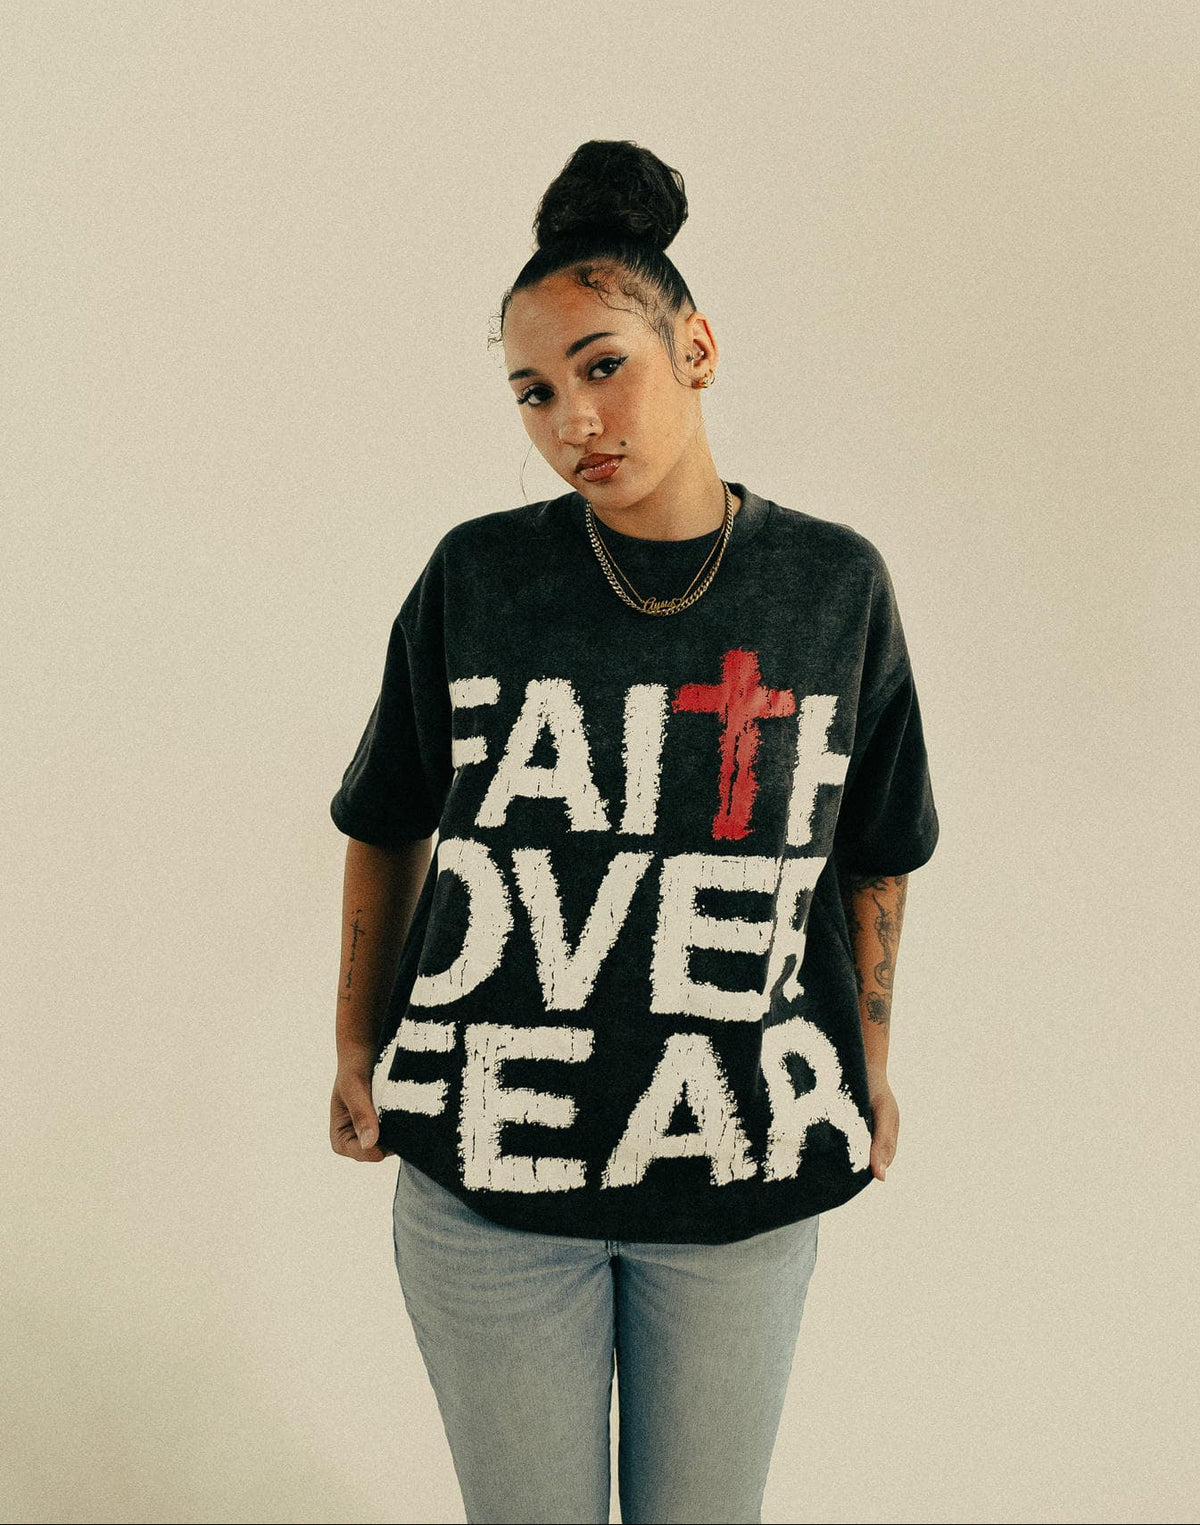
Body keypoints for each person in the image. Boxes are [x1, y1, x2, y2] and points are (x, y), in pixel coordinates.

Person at [327, 139, 939, 1525]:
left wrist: (874, 1059)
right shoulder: (479, 576)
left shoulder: (831, 584)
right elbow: (386, 817)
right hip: (490, 1180)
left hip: (737, 1174)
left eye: (604, 366)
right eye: (534, 391)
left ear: (696, 348)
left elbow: (876, 845)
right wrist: (355, 1040)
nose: (573, 420)